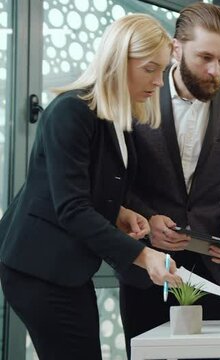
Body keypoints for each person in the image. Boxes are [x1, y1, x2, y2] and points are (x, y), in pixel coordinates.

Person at [0, 14, 181, 360]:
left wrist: (123, 213)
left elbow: (93, 189)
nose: (159, 82)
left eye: (163, 70)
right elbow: (71, 207)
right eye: (150, 69)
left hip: (65, 268)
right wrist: (144, 255)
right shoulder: (71, 112)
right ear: (118, 59)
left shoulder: (115, 118)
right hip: (37, 268)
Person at [117, 3, 220, 356]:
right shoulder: (136, 101)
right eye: (205, 58)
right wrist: (148, 220)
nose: (215, 71)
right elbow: (115, 182)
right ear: (176, 48)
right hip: (145, 265)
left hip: (211, 273)